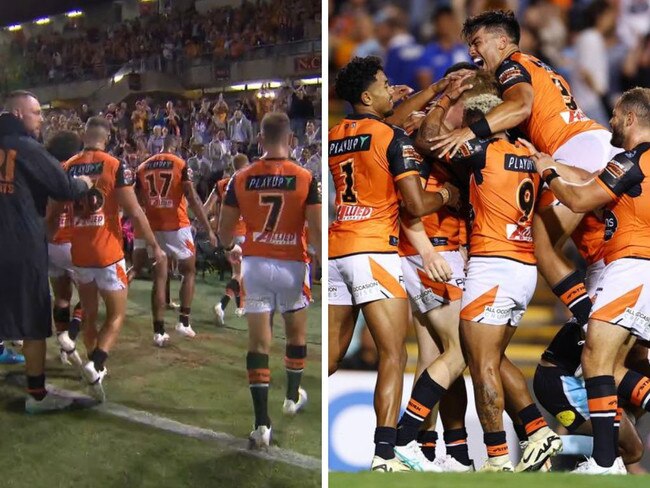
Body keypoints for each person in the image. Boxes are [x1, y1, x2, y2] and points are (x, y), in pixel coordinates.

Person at [430, 10, 621, 331]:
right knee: (600, 249)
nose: (472, 52)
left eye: (477, 42)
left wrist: (469, 132)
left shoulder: (511, 66)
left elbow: (521, 106)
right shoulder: (538, 66)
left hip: (577, 152)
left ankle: (591, 324)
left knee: (543, 249)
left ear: (503, 42)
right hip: (595, 145)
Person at [328, 56, 459, 471]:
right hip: (374, 249)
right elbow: (416, 203)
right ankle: (385, 453)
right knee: (393, 356)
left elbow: (384, 122)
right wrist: (448, 198)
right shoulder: (394, 139)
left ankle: (294, 393)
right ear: (368, 95)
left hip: (337, 249)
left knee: (331, 356)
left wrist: (431, 92)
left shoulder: (335, 134)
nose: (393, 90)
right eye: (385, 85)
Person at [521, 87, 650, 474]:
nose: (609, 120)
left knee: (595, 359)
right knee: (603, 363)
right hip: (630, 267)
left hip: (632, 265)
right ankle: (609, 461)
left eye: (614, 114)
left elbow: (578, 200)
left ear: (630, 119)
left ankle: (608, 461)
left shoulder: (634, 160)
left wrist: (546, 168)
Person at [218, 112, 321, 449]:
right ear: (291, 139)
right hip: (292, 262)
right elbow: (318, 234)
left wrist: (232, 247)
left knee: (259, 343)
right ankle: (291, 397)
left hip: (256, 263)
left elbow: (224, 231)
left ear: (259, 139)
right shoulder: (306, 176)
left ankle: (261, 424)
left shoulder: (241, 177)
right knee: (296, 333)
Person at [49, 116, 166, 402]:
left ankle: (93, 368)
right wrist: (154, 246)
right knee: (115, 315)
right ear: (108, 136)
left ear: (84, 136)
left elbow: (52, 216)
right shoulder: (114, 164)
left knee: (88, 313)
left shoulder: (67, 166)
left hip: (79, 252)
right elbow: (135, 211)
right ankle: (97, 362)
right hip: (108, 252)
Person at [0, 90, 92, 412]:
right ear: (17, 114)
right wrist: (85, 186)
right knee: (34, 317)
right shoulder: (26, 146)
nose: (41, 119)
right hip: (20, 244)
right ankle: (37, 395)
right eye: (36, 113)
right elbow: (63, 187)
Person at [136, 134, 216, 345]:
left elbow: (137, 201)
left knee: (160, 277)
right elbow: (192, 196)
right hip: (177, 224)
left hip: (153, 225)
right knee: (189, 270)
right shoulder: (180, 164)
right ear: (177, 145)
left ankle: (159, 331)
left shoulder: (143, 167)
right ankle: (184, 321)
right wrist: (208, 228)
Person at [45, 130, 85, 367]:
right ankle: (69, 335)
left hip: (50, 241)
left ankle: (64, 349)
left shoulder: (45, 168)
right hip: (71, 239)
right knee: (92, 295)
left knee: (61, 297)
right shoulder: (75, 168)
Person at [207, 153, 249, 325]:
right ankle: (222, 305)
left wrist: (205, 226)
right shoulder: (248, 183)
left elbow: (207, 206)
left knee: (237, 273)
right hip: (241, 233)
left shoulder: (222, 184)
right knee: (239, 274)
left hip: (224, 235)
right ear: (246, 166)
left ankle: (241, 306)